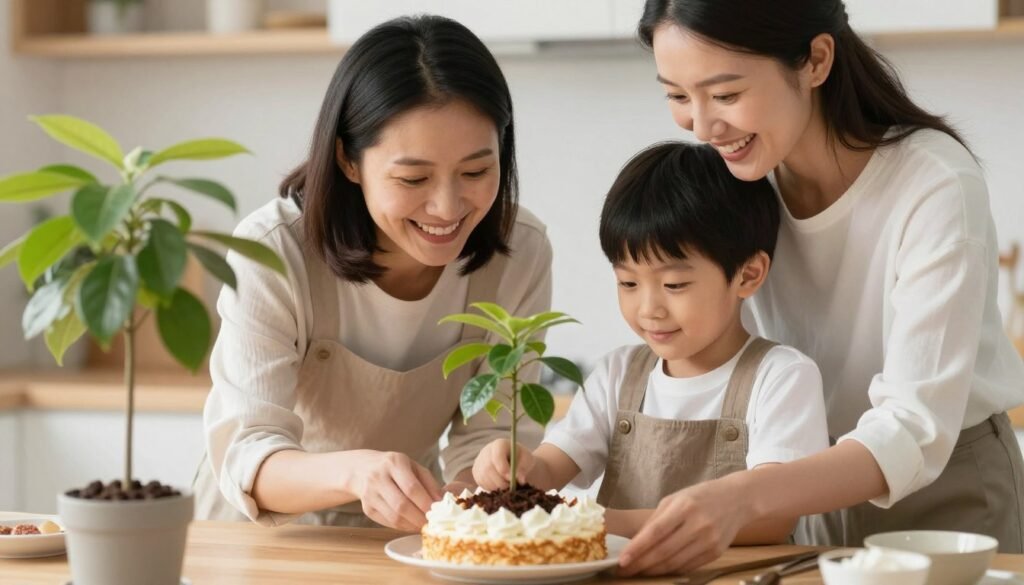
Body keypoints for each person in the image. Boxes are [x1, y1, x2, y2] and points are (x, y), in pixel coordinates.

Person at [618, 0, 1024, 576]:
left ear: (815, 60)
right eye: (678, 97)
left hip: (948, 493)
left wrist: (742, 497)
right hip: (803, 487)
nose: (703, 127)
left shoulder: (932, 183)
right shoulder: (744, 180)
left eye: (726, 94)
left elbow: (913, 426)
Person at [193, 14, 552, 531]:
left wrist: (482, 480)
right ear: (349, 160)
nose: (447, 206)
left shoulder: (521, 252)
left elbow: (489, 436)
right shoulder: (272, 252)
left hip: (398, 534)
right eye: (413, 177)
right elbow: (249, 451)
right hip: (254, 537)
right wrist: (357, 473)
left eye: (476, 171)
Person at [472, 142, 829, 545]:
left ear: (747, 275)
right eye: (628, 283)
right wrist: (514, 466)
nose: (649, 309)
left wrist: (602, 523)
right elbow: (550, 470)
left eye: (674, 285)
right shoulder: (617, 374)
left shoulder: (781, 377)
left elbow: (772, 518)